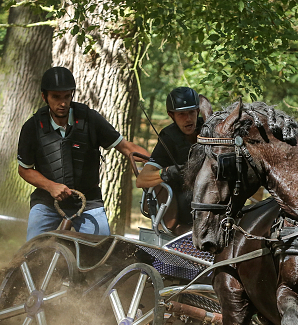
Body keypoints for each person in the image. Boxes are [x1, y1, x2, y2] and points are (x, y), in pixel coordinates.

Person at [17, 66, 149, 241]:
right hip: (46, 202)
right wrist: (51, 186)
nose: (62, 103)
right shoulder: (32, 127)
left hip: (88, 201)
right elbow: (24, 169)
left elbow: (126, 147)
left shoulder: (90, 119)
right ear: (44, 97)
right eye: (56, 97)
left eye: (67, 96)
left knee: (101, 252)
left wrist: (156, 163)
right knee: (32, 250)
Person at [135, 86, 204, 232]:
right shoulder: (168, 138)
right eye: (181, 114)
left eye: (191, 112)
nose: (188, 119)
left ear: (198, 111)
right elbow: (141, 179)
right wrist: (167, 172)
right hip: (184, 207)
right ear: (171, 115)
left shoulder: (209, 130)